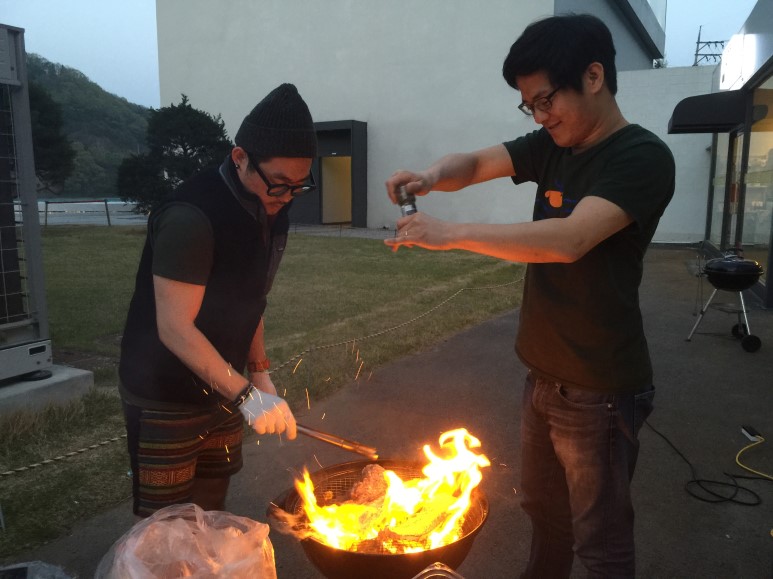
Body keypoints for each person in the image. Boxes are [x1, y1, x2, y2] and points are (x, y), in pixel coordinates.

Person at [384, 14, 674, 578]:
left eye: (546, 100)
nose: (540, 117)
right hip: (542, 375)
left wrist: (451, 233)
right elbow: (476, 164)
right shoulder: (552, 144)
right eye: (529, 107)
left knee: (600, 539)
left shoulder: (640, 156)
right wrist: (429, 175)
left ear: (594, 76)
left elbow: (569, 240)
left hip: (599, 386)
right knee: (545, 514)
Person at [119, 83, 316, 518]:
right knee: (167, 523)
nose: (286, 198)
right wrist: (247, 397)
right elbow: (175, 328)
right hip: (165, 391)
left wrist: (259, 373)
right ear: (240, 157)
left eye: (299, 187)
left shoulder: (272, 209)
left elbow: (253, 298)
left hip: (224, 385)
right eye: (279, 184)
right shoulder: (191, 217)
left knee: (211, 504)